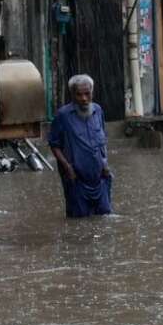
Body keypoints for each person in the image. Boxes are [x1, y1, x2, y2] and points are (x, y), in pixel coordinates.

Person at [47, 74, 112, 218]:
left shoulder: (98, 111)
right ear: (72, 95)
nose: (83, 98)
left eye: (87, 94)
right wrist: (67, 167)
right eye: (79, 94)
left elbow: (102, 139)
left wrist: (105, 162)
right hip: (76, 179)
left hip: (100, 176)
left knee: (105, 217)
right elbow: (54, 145)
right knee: (79, 219)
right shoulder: (63, 116)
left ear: (92, 92)